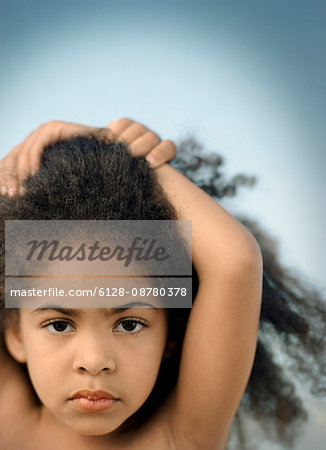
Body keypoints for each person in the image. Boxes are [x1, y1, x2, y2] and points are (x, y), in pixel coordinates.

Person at [0, 118, 263, 450]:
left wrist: (130, 160)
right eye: (59, 324)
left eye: (128, 324)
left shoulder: (181, 439)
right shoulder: (8, 426)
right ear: (15, 335)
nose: (94, 360)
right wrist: (11, 177)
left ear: (170, 336)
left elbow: (236, 262)